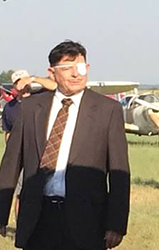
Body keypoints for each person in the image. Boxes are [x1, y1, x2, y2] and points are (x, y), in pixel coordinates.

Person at [0, 40, 130, 250]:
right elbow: (11, 163)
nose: (76, 74)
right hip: (38, 219)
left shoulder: (108, 110)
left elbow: (119, 171)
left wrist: (116, 223)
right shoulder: (32, 108)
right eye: (67, 68)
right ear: (52, 72)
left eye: (80, 67)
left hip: (86, 221)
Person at [1, 70, 58, 220]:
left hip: (42, 155)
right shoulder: (10, 107)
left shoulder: (40, 97)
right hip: (22, 157)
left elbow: (55, 86)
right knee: (20, 194)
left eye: (24, 80)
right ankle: (20, 225)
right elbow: (8, 132)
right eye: (19, 81)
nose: (23, 84)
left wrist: (33, 78)